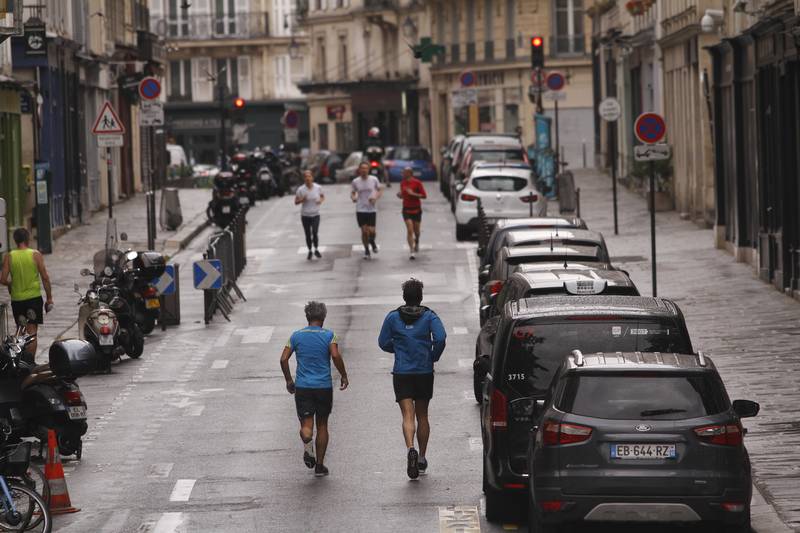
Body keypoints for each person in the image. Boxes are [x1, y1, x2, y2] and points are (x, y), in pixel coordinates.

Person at [378, 279, 446, 479]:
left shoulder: (392, 317)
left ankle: (410, 449)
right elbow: (441, 338)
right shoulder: (429, 316)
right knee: (422, 415)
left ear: (404, 297)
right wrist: (433, 355)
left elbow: (382, 342)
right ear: (421, 297)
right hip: (424, 371)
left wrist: (398, 348)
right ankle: (422, 457)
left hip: (402, 372)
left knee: (407, 415)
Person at [280, 301, 349, 477]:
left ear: (307, 316)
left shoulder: (296, 336)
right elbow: (335, 355)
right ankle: (319, 465)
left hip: (303, 387)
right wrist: (343, 374)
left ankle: (307, 440)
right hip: (323, 387)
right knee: (323, 424)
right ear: (323, 317)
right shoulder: (329, 336)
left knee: (307, 424)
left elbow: (283, 359)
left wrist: (289, 380)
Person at [0, 228, 53, 361]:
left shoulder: (9, 256)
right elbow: (45, 277)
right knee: (32, 332)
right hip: (33, 299)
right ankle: (30, 362)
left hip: (17, 300)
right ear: (28, 239)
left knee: (21, 330)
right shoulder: (35, 255)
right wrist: (49, 298)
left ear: (15, 240)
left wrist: (10, 284)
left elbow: (2, 279)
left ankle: (20, 360)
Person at [351, 162, 383, 260]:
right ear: (359, 170)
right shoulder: (355, 181)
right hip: (360, 209)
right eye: (362, 168)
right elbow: (353, 193)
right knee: (364, 231)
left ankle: (372, 242)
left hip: (371, 209)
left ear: (368, 169)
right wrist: (353, 198)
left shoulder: (374, 179)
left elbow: (380, 190)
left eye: (366, 168)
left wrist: (375, 198)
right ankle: (366, 250)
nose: (364, 170)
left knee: (372, 231)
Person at [396, 167, 427, 260]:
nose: (402, 174)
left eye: (404, 172)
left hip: (416, 209)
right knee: (410, 230)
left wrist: (413, 194)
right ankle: (412, 251)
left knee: (416, 231)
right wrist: (400, 195)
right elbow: (403, 195)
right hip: (406, 209)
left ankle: (417, 241)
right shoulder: (402, 183)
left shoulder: (417, 183)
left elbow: (424, 196)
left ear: (409, 173)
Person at [295, 170, 325, 260]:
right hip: (305, 215)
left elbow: (322, 196)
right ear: (304, 179)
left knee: (315, 232)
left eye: (309, 176)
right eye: (306, 177)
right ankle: (310, 250)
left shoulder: (318, 187)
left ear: (312, 178)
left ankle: (316, 249)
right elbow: (296, 202)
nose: (308, 178)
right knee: (308, 234)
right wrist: (301, 200)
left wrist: (320, 200)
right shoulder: (300, 189)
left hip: (316, 214)